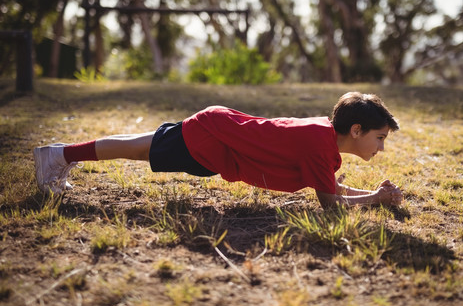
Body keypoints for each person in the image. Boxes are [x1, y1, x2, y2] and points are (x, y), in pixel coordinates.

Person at [33, 92, 403, 209]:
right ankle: (58, 156)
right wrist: (376, 199)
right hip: (212, 142)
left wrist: (375, 194)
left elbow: (329, 186)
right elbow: (331, 203)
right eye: (380, 138)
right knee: (135, 149)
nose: (381, 148)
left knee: (137, 146)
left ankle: (59, 155)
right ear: (356, 130)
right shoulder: (321, 147)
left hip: (216, 132)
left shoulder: (323, 138)